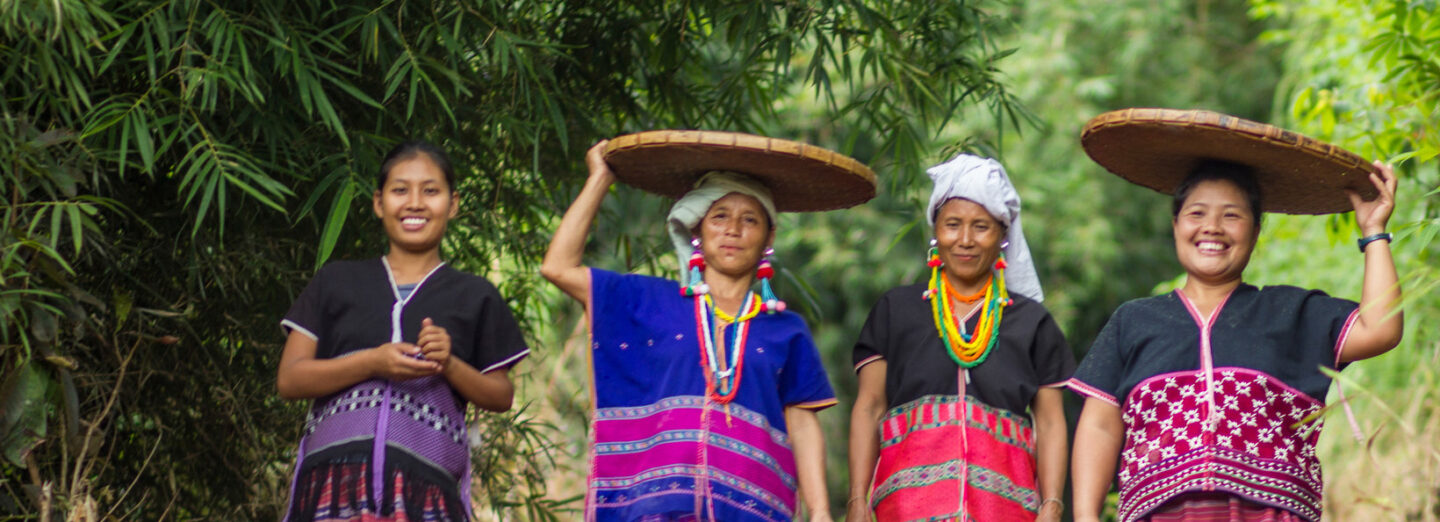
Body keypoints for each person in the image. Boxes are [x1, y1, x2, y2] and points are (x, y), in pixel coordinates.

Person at [1069, 110, 1404, 522]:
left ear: (1256, 230)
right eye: (1196, 214)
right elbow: (1100, 426)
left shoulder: (1292, 312)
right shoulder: (1134, 321)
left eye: (1232, 215)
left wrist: (1374, 232)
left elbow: (1382, 329)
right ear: (1175, 225)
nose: (1212, 227)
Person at [540, 134, 868, 521]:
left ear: (769, 237)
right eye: (719, 216)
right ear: (697, 228)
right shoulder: (646, 300)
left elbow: (802, 421)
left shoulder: (785, 328)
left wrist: (819, 511)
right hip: (659, 509)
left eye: (750, 220)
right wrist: (600, 178)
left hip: (753, 510)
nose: (733, 229)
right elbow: (557, 267)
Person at [276, 140, 530, 521]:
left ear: (453, 203)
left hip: (424, 491)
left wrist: (450, 364)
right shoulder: (336, 280)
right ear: (379, 203)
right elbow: (290, 380)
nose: (415, 203)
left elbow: (500, 396)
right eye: (400, 190)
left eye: (431, 191)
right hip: (333, 487)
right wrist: (372, 363)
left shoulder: (475, 295)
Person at [847, 154, 1075, 522]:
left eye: (981, 226)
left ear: (1003, 235)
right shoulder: (896, 310)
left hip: (1007, 511)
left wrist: (1051, 505)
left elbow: (1049, 422)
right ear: (935, 229)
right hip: (905, 510)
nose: (965, 240)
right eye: (953, 224)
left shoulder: (1032, 322)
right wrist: (857, 500)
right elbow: (869, 406)